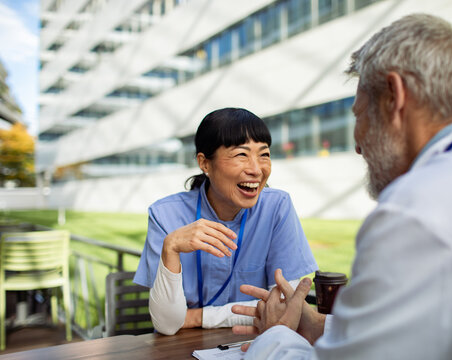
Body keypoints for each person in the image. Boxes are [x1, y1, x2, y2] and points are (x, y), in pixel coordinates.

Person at [231, 13, 452, 359]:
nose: (358, 143)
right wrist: (317, 325)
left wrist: (274, 335)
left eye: (359, 113)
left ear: (394, 96)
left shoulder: (418, 212)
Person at [134, 107, 318, 335]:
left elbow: (284, 310)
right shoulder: (165, 216)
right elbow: (168, 325)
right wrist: (170, 248)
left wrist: (198, 316)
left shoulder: (276, 207)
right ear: (205, 164)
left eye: (264, 154)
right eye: (241, 154)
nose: (256, 169)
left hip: (250, 344)